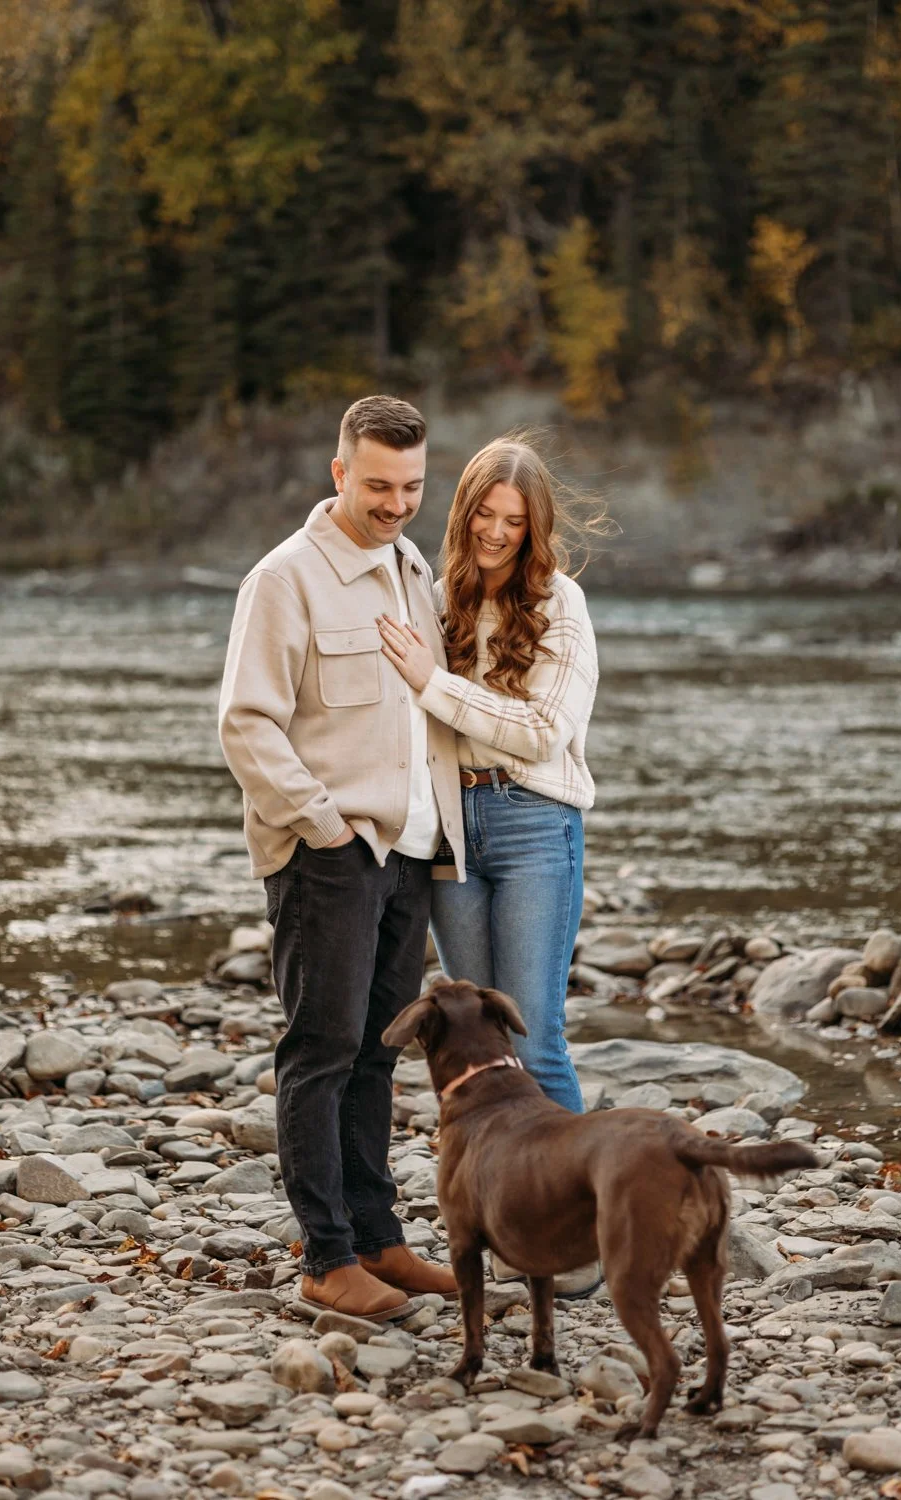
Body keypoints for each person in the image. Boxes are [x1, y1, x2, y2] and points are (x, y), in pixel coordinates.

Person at [219, 395, 463, 1321]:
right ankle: (326, 1258)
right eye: (378, 485)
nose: (398, 503)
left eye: (412, 486)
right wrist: (323, 826)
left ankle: (379, 1240)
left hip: (407, 854)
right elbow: (246, 724)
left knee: (376, 1058)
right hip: (332, 853)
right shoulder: (285, 579)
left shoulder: (410, 568)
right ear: (338, 474)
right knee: (319, 1051)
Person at [377, 435, 602, 1297]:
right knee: (476, 1041)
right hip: (450, 828)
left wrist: (434, 683)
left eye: (515, 521)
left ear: (535, 527)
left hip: (536, 822)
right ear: (463, 509)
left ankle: (578, 1235)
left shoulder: (564, 605)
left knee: (534, 1033)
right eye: (484, 514)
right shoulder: (438, 598)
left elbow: (541, 731)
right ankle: (503, 1218)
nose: (498, 533)